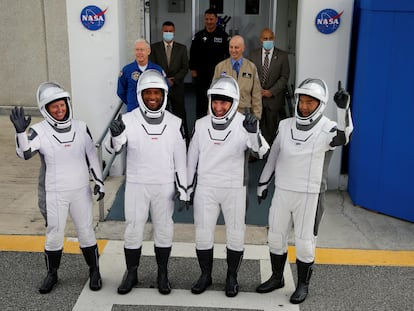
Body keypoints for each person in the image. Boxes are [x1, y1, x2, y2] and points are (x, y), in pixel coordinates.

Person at [256, 79, 353, 304]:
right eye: (302, 101)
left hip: (310, 194)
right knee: (276, 236)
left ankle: (302, 284)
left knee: (305, 242)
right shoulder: (286, 125)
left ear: (320, 104)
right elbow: (274, 156)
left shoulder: (328, 127)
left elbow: (344, 136)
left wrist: (343, 109)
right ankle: (277, 277)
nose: (305, 106)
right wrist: (263, 183)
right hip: (283, 190)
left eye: (311, 102)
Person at [9, 82, 105, 294]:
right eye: (54, 107)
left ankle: (94, 270)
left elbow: (91, 155)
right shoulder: (38, 131)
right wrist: (20, 133)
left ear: (68, 105)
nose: (60, 110)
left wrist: (99, 181)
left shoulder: (81, 127)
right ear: (46, 109)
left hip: (80, 190)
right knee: (54, 234)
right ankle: (52, 273)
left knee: (86, 232)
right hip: (54, 191)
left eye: (62, 105)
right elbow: (24, 154)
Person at [106, 70, 187, 295]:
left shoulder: (175, 122)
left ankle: (163, 273)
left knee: (164, 230)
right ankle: (132, 273)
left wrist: (184, 188)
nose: (153, 97)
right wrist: (115, 136)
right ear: (141, 95)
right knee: (133, 229)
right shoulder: (127, 119)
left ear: (164, 95)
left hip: (164, 185)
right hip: (137, 184)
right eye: (148, 92)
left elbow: (181, 158)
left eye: (157, 93)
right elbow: (115, 148)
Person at [187, 75, 269, 297]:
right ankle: (205, 275)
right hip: (206, 187)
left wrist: (253, 132)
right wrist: (186, 188)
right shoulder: (201, 124)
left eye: (224, 102)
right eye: (215, 101)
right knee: (203, 234)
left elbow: (261, 151)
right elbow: (191, 157)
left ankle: (232, 276)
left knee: (235, 235)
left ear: (233, 103)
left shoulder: (245, 124)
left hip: (234, 187)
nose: (219, 106)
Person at [248, 28, 290, 144]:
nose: (268, 40)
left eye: (270, 38)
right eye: (265, 38)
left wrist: (271, 91)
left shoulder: (282, 56)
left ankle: (271, 151)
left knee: (272, 127)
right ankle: (256, 150)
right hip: (257, 98)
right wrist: (257, 90)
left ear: (274, 38)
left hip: (274, 98)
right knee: (255, 126)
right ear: (261, 39)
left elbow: (284, 77)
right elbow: (249, 74)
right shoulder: (253, 54)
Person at [150, 21, 190, 142]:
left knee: (180, 114)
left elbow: (185, 67)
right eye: (166, 31)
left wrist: (175, 79)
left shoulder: (181, 48)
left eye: (170, 31)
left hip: (177, 86)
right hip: (161, 87)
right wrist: (164, 80)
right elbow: (153, 66)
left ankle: (184, 138)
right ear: (162, 32)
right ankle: (164, 139)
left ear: (174, 32)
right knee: (162, 113)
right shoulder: (154, 48)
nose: (168, 33)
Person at [189, 8, 230, 119]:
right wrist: (194, 72)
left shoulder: (223, 36)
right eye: (207, 19)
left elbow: (228, 57)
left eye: (211, 19)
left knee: (217, 103)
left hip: (218, 76)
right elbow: (192, 55)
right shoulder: (198, 36)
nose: (209, 21)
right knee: (201, 104)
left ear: (216, 19)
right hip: (201, 77)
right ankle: (199, 128)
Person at [213, 35, 262, 120]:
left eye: (236, 47)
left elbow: (256, 94)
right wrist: (211, 115)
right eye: (231, 47)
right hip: (225, 113)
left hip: (244, 113)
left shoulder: (251, 67)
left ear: (243, 48)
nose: (233, 50)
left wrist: (256, 115)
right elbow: (214, 94)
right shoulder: (220, 67)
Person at [117, 38, 168, 112]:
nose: (139, 52)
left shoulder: (157, 70)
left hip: (153, 112)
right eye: (137, 50)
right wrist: (132, 102)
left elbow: (165, 89)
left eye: (142, 50)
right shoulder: (126, 70)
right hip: (133, 111)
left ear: (148, 51)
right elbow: (121, 92)